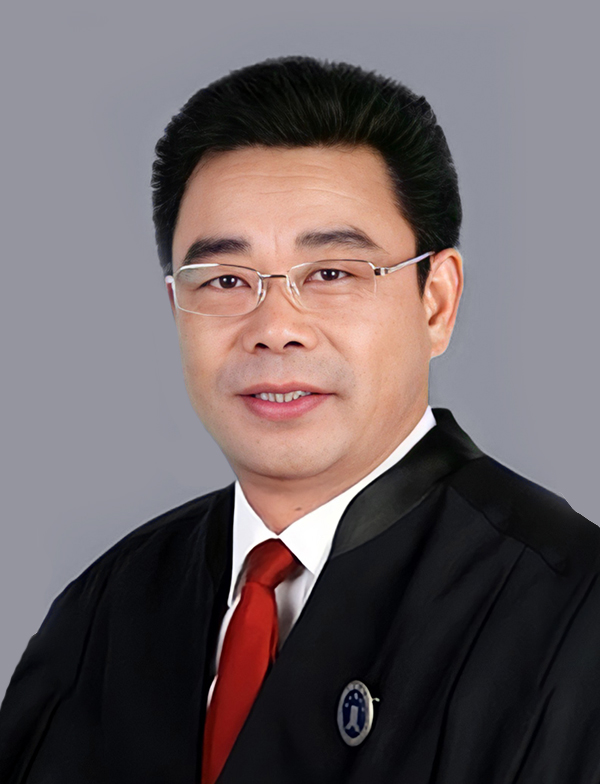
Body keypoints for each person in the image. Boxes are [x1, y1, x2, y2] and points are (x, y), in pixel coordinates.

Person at [0, 56, 598, 784]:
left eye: (332, 273)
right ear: (176, 308)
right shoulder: (104, 610)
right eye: (226, 280)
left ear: (436, 302)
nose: (275, 329)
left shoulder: (572, 613)